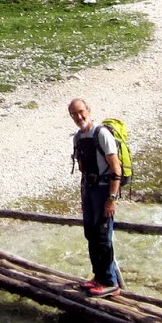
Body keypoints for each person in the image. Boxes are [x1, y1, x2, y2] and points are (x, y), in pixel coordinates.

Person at [67, 98, 122, 295]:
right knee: (90, 233)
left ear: (89, 110)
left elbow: (116, 168)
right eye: (74, 114)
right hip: (88, 189)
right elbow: (82, 167)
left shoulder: (102, 134)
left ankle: (110, 282)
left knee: (102, 235)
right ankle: (98, 276)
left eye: (81, 112)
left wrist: (111, 199)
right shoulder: (78, 137)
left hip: (103, 190)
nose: (78, 117)